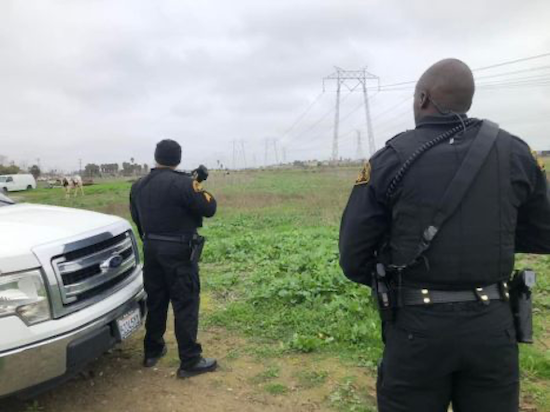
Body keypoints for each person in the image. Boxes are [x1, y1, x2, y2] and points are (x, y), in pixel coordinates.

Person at [339, 59, 550, 412]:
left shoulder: (391, 158)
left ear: (423, 98)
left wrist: (392, 274)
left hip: (416, 328)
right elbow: (544, 234)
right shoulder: (515, 152)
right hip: (492, 324)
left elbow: (353, 257)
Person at [130, 139, 218, 378]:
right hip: (179, 252)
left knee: (156, 301)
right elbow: (210, 208)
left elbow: (136, 218)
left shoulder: (138, 185)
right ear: (178, 159)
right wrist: (197, 183)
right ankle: (190, 360)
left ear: (156, 157)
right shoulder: (185, 184)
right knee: (185, 303)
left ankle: (152, 351)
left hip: (151, 247)